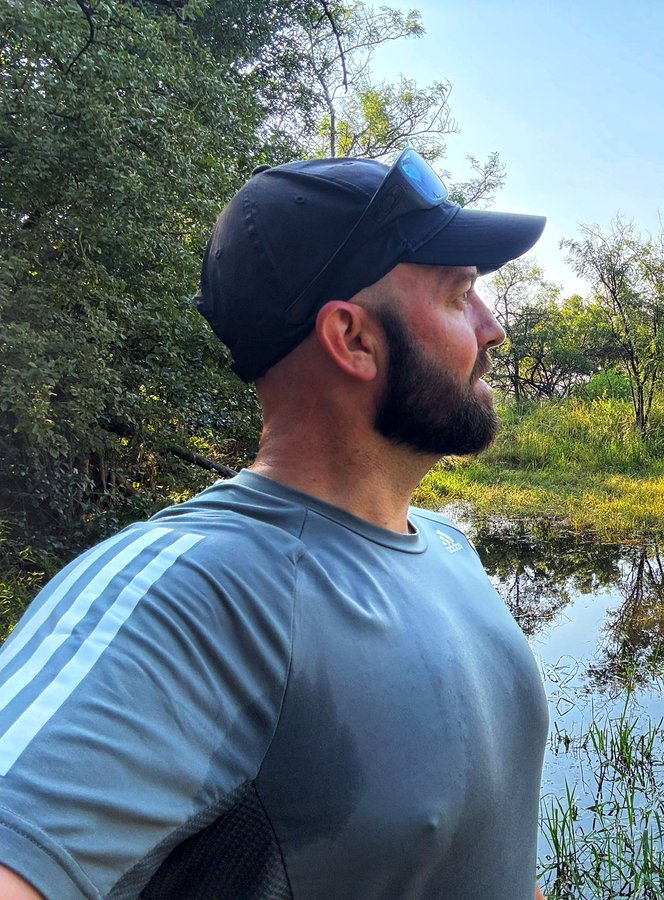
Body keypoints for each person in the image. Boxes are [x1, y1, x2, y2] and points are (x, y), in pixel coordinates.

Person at [0, 150, 550, 899]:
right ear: (353, 339)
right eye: (458, 298)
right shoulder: (192, 594)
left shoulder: (449, 548)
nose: (492, 329)